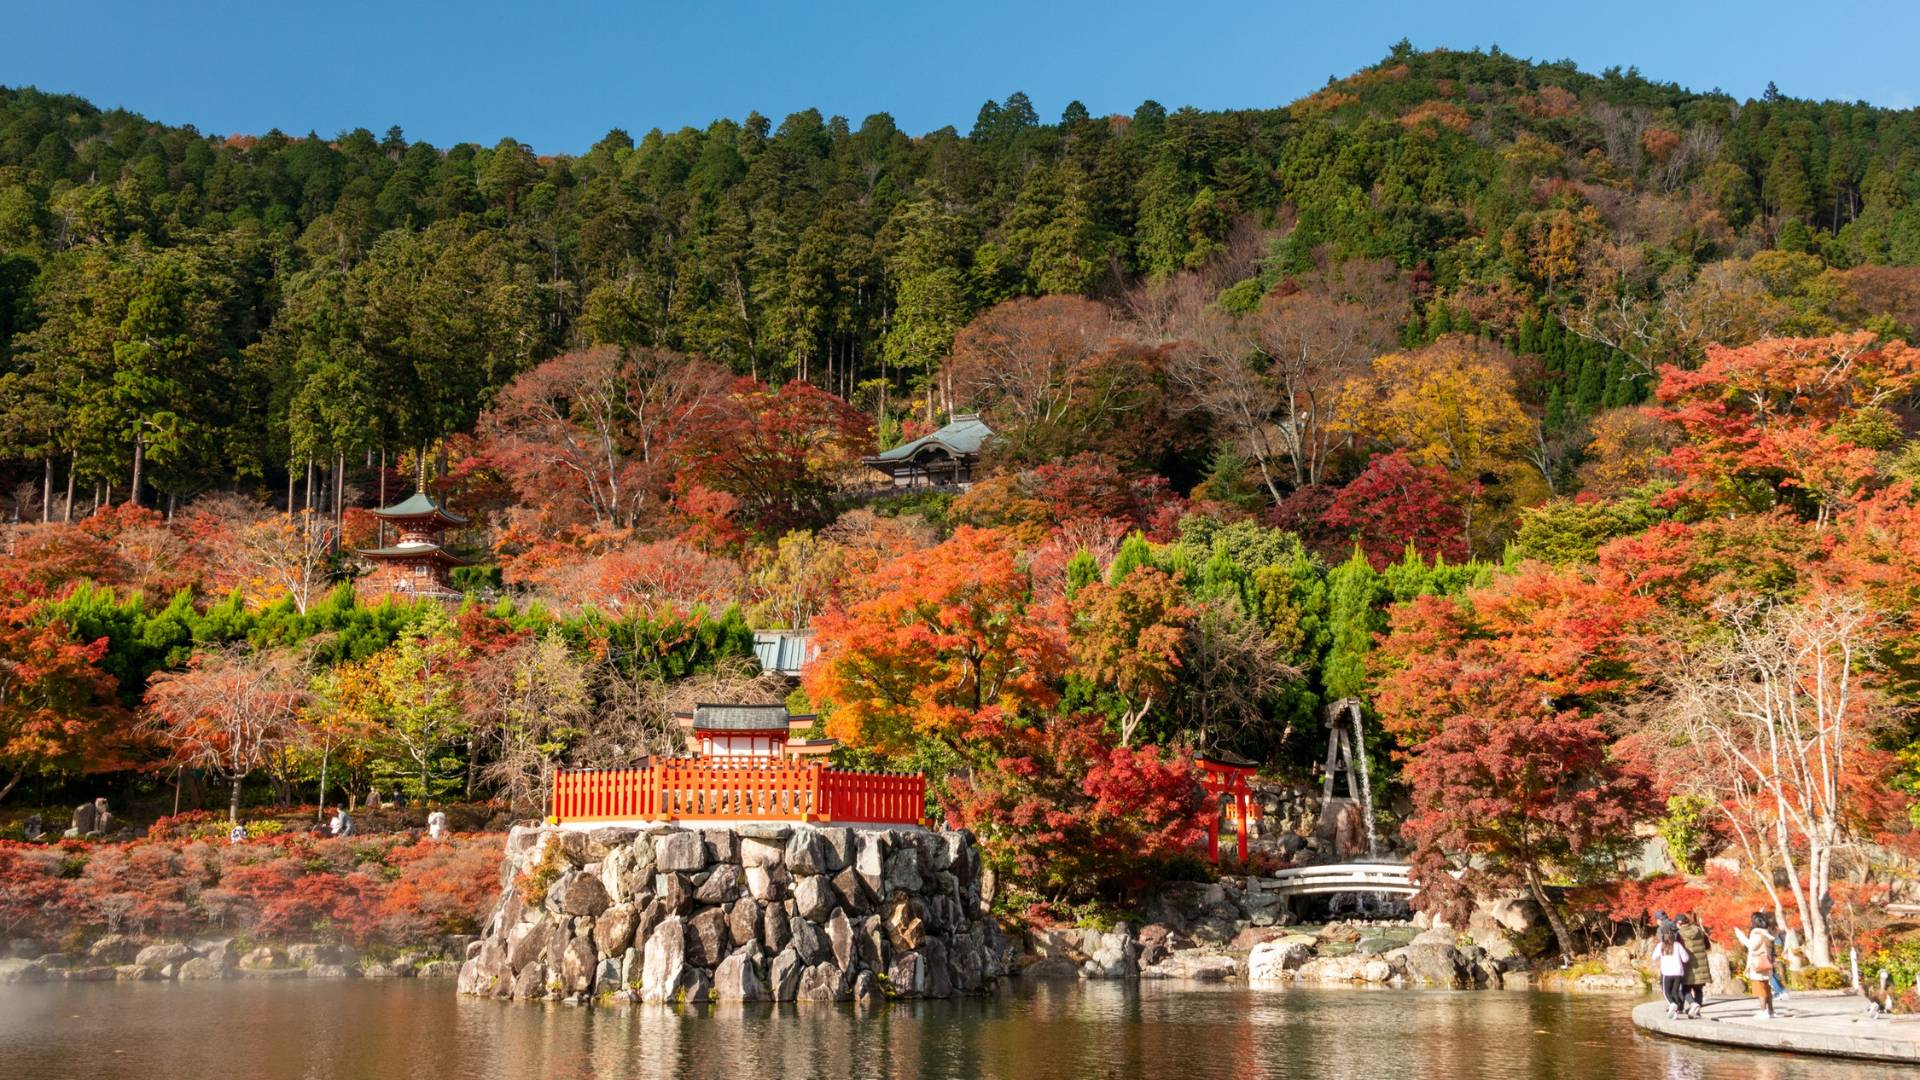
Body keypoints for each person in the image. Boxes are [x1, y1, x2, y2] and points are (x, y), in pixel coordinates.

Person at [1733, 913, 1776, 1019]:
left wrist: (1740, 936)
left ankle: (1763, 1011)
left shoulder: (1757, 934)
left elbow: (1752, 947)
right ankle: (1770, 1011)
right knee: (1766, 987)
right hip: (1766, 961)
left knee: (1759, 988)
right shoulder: (1767, 933)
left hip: (1757, 963)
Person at [1650, 925, 1691, 1019]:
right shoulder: (1678, 945)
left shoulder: (1661, 945)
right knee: (1675, 992)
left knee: (1666, 992)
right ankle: (1675, 1013)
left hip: (1667, 973)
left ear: (1663, 936)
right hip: (1678, 973)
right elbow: (1685, 959)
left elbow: (1653, 957)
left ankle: (1672, 1004)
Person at [1675, 914, 1712, 1018]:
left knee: (1685, 989)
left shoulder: (1679, 934)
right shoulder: (1699, 930)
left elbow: (1677, 949)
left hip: (1688, 965)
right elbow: (1708, 946)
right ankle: (1697, 1011)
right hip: (1701, 965)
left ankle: (1693, 1004)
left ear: (1679, 923)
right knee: (1698, 989)